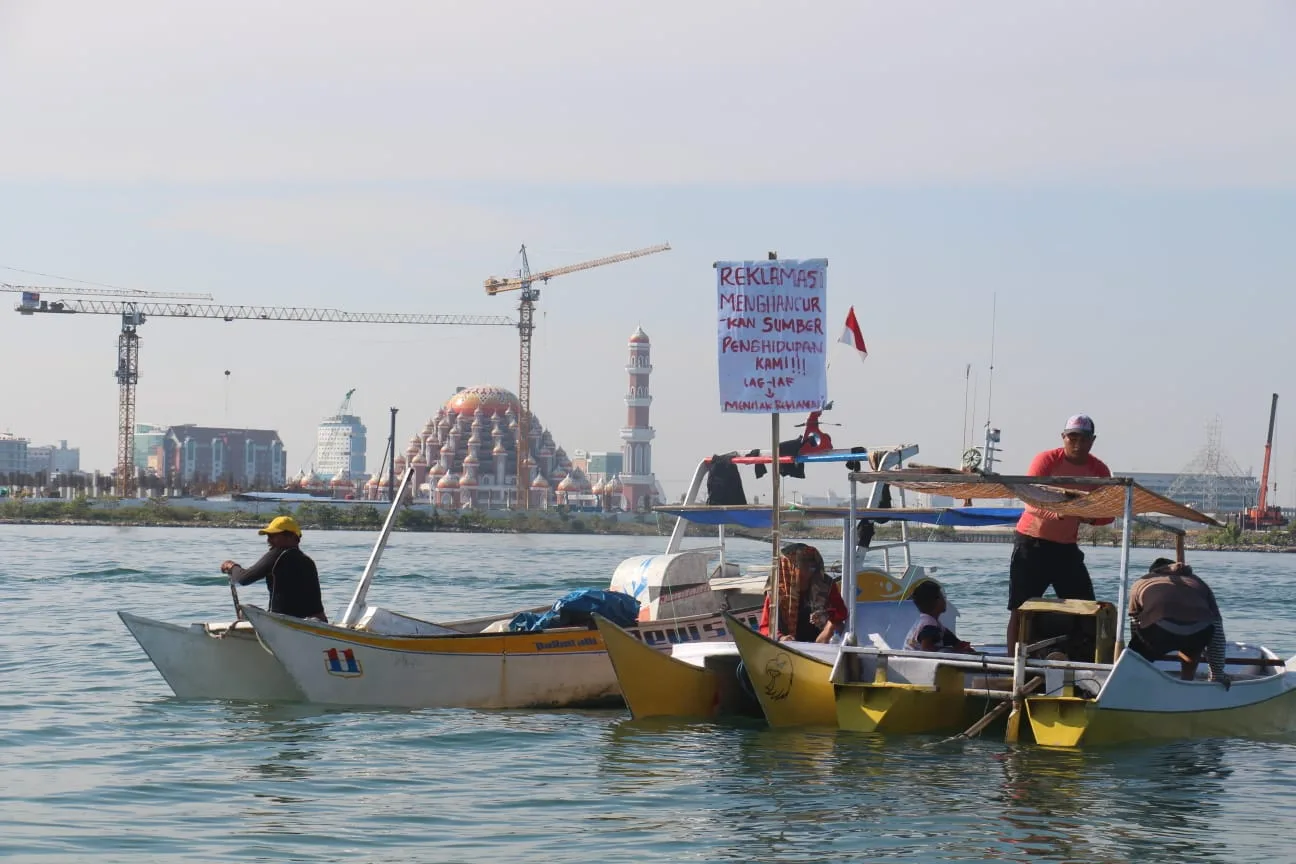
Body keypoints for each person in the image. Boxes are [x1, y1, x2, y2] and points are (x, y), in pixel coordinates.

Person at [1006, 414, 1113, 650]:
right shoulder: (1046, 460)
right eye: (1072, 437)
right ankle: (1011, 664)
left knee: (1087, 607)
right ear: (1063, 438)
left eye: (1083, 438)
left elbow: (1109, 512)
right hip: (1031, 544)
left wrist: (1088, 516)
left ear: (1092, 441)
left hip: (1066, 549)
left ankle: (1085, 660)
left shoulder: (1099, 469)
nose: (1077, 443)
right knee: (1020, 608)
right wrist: (1060, 513)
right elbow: (1030, 499)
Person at [1128, 558, 1230, 688]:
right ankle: (1187, 682)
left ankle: (1136, 681)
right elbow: (1217, 628)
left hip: (1160, 631)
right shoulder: (1198, 582)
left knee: (1137, 654)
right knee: (1193, 643)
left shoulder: (1142, 581)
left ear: (1153, 571)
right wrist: (1217, 674)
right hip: (1198, 633)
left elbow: (1135, 622)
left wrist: (1136, 652)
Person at [221, 515, 327, 621]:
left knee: (243, 611)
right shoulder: (308, 561)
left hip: (283, 622)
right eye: (268, 536)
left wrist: (232, 566)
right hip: (315, 623)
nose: (269, 540)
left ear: (292, 537)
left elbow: (242, 579)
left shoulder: (277, 555)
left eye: (273, 536)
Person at [758, 543, 847, 643]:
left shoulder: (826, 584)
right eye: (803, 563)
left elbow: (841, 612)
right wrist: (781, 638)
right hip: (789, 647)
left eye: (812, 564)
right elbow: (765, 627)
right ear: (789, 568)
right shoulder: (776, 591)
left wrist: (828, 625)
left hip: (823, 643)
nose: (810, 568)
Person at [904, 580, 974, 653]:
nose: (945, 600)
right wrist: (956, 651)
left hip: (913, 658)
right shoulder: (928, 624)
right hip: (916, 659)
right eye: (943, 597)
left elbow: (950, 638)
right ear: (936, 601)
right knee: (945, 651)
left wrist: (960, 645)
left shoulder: (932, 623)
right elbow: (926, 648)